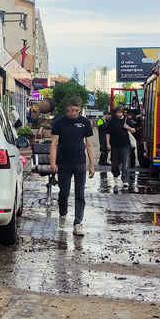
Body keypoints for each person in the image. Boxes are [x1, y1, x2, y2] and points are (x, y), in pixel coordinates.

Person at [49, 98, 95, 235]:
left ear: (80, 109)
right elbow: (53, 144)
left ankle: (78, 223)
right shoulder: (59, 123)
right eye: (72, 110)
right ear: (67, 108)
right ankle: (63, 214)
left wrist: (92, 164)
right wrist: (53, 162)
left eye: (77, 110)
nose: (74, 113)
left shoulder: (85, 123)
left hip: (79, 162)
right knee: (64, 192)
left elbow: (89, 144)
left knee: (80, 194)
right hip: (63, 162)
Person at [107, 105, 136, 182]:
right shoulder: (112, 121)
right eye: (117, 112)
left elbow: (134, 130)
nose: (118, 114)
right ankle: (116, 174)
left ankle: (125, 180)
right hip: (115, 145)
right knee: (115, 164)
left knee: (125, 163)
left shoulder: (127, 121)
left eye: (119, 112)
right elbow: (108, 133)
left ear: (122, 113)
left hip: (125, 145)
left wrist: (128, 127)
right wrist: (108, 143)